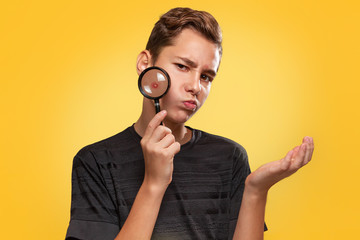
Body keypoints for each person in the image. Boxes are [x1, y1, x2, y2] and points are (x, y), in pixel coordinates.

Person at [65, 7, 314, 240]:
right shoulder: (95, 162)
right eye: (183, 66)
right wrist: (153, 183)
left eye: (206, 77)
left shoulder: (229, 157)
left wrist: (256, 191)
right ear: (145, 64)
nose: (195, 86)